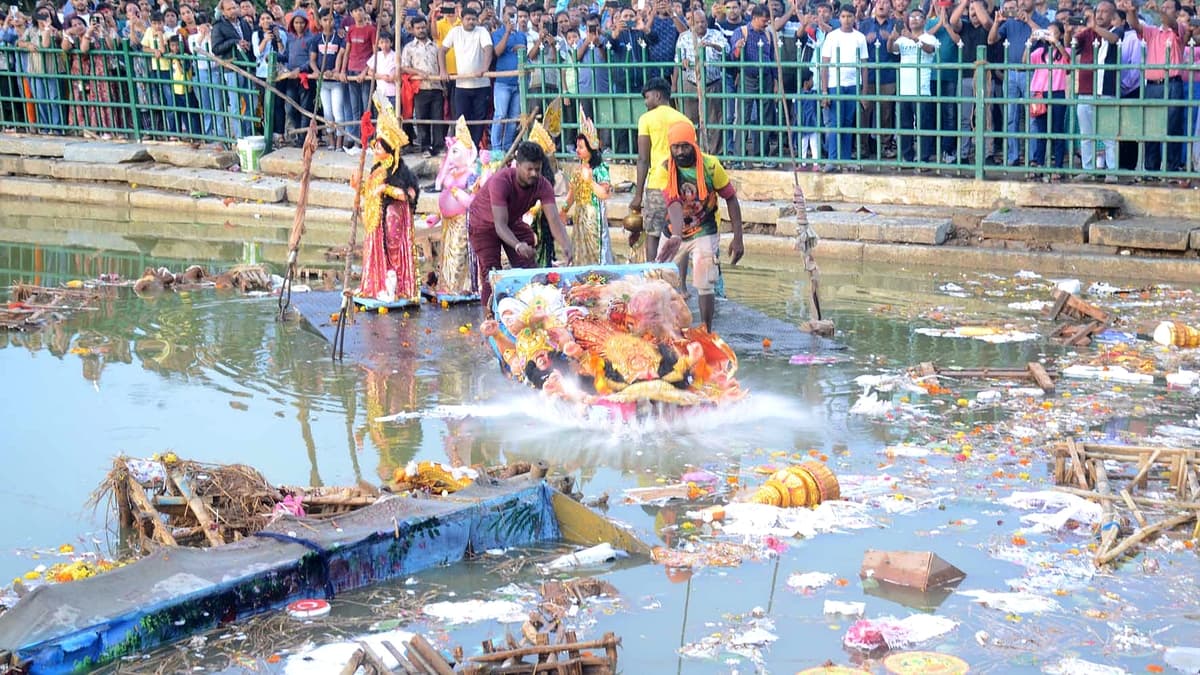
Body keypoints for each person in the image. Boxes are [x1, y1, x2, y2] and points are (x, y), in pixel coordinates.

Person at [654, 120, 744, 332]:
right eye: (675, 147)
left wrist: (738, 238)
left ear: (693, 144)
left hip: (704, 229)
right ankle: (665, 332)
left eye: (685, 146)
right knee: (659, 281)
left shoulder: (711, 166)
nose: (681, 152)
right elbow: (673, 203)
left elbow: (731, 198)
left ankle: (706, 330)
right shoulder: (665, 169)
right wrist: (676, 236)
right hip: (673, 231)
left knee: (705, 283)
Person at [469, 141, 574, 313]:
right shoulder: (501, 181)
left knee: (528, 268)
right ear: (518, 166)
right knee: (492, 273)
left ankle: (530, 311)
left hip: (511, 221)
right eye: (529, 169)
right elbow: (500, 226)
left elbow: (554, 218)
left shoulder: (542, 184)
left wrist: (566, 245)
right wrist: (517, 245)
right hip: (483, 224)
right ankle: (489, 319)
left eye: (537, 170)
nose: (534, 174)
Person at [356, 93, 423, 305]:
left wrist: (386, 189)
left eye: (378, 147)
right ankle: (379, 286)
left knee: (393, 252)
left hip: (391, 217)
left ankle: (397, 287)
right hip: (375, 219)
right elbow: (369, 190)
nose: (375, 150)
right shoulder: (377, 168)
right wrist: (357, 186)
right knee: (377, 251)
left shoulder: (397, 172)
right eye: (375, 146)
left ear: (389, 151)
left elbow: (406, 194)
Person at [629, 77, 692, 262]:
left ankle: (652, 276)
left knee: (653, 234)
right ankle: (680, 284)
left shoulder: (646, 119)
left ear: (657, 95)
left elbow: (643, 159)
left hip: (657, 186)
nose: (646, 103)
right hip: (680, 187)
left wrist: (638, 195)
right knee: (679, 235)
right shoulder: (684, 120)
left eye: (647, 98)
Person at [1070, 0, 1120, 180]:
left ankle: (1112, 171)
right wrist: (1068, 33)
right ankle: (1088, 168)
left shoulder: (1116, 31)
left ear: (1113, 16)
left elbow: (1114, 40)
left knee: (1108, 135)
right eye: (1098, 11)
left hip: (1105, 90)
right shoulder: (1087, 34)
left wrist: (1095, 28)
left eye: (1105, 12)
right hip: (1085, 90)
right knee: (1086, 135)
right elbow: (1073, 47)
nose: (1100, 15)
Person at [818, 3, 867, 172]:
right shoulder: (832, 36)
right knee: (835, 123)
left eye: (850, 17)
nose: (846, 20)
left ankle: (845, 159)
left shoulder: (860, 37)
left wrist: (864, 92)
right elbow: (824, 64)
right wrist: (824, 91)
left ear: (855, 18)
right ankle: (832, 159)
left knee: (847, 123)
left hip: (853, 84)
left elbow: (864, 65)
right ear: (839, 18)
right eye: (844, 17)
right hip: (835, 84)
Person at [561, 108, 613, 266]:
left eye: (581, 147)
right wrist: (563, 210)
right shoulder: (577, 171)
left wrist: (590, 181)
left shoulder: (600, 169)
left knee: (597, 253)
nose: (577, 150)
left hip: (594, 216)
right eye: (577, 147)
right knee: (580, 253)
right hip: (580, 215)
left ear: (591, 148)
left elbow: (604, 194)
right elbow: (572, 194)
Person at [674, 8, 727, 153]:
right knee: (690, 120)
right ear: (692, 23)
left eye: (703, 22)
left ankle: (715, 153)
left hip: (712, 82)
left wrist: (712, 45)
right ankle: (693, 152)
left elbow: (725, 50)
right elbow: (678, 59)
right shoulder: (684, 37)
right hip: (691, 82)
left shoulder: (716, 34)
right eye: (697, 22)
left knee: (714, 120)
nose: (700, 25)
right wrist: (683, 61)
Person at [439, 6, 491, 146]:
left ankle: (475, 147)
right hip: (462, 85)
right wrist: (443, 71)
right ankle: (463, 148)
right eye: (468, 19)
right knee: (461, 118)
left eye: (474, 19)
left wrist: (484, 69)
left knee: (480, 119)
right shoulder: (455, 32)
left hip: (481, 84)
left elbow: (488, 49)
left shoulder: (482, 31)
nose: (471, 22)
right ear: (461, 20)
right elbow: (442, 50)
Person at [1026, 21, 1069, 179]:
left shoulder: (1064, 50)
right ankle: (1038, 163)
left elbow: (1067, 59)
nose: (1050, 36)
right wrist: (1030, 41)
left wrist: (1056, 43)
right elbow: (1025, 61)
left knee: (1057, 130)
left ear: (1061, 35)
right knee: (1041, 130)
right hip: (1040, 93)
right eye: (1047, 33)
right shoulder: (1039, 53)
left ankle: (1058, 166)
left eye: (1054, 32)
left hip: (1057, 92)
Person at [401, 14, 443, 157]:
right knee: (422, 119)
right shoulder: (408, 48)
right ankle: (425, 147)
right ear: (412, 30)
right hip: (419, 87)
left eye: (423, 27)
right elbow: (404, 67)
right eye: (418, 28)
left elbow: (441, 65)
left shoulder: (435, 46)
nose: (421, 30)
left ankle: (438, 147)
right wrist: (418, 72)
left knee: (437, 119)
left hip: (437, 87)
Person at [212, 0, 255, 137]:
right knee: (235, 105)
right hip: (232, 68)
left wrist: (247, 45)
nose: (233, 11)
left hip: (247, 66)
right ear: (223, 11)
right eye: (229, 9)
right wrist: (234, 42)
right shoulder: (218, 26)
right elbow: (216, 48)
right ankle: (239, 136)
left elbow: (250, 40)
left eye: (234, 7)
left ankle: (249, 133)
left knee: (251, 104)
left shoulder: (243, 22)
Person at [310, 7, 347, 150]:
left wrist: (335, 71)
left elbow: (342, 56)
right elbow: (312, 60)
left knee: (338, 112)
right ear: (320, 21)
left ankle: (340, 143)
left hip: (336, 82)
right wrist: (319, 73)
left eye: (331, 19)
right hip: (323, 82)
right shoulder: (316, 39)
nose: (328, 22)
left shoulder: (339, 37)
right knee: (327, 113)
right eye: (325, 19)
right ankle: (331, 142)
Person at [490, 4, 526, 152]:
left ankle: (508, 148)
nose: (512, 17)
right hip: (503, 83)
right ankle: (497, 149)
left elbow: (525, 56)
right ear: (503, 16)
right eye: (509, 14)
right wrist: (507, 33)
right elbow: (497, 52)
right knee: (500, 115)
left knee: (512, 119)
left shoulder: (521, 35)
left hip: (518, 83)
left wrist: (521, 49)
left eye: (514, 14)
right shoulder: (497, 34)